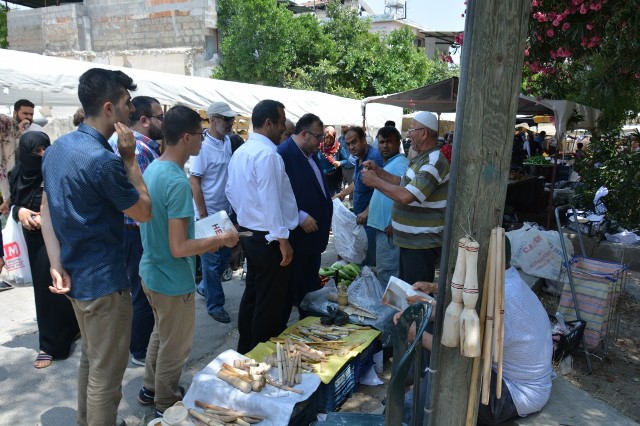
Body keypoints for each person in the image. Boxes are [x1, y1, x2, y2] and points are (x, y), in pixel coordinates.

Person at [41, 68, 152, 426]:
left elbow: (46, 209)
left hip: (76, 277)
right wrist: (131, 159)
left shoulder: (58, 149)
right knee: (107, 376)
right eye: (126, 102)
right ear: (109, 108)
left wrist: (56, 262)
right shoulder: (104, 160)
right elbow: (144, 212)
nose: (130, 109)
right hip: (104, 284)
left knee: (92, 359)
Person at [138, 105, 238, 418]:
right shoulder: (177, 181)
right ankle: (165, 403)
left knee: (161, 334)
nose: (203, 140)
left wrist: (204, 243)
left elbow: (177, 237)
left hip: (153, 271)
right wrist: (221, 240)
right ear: (186, 138)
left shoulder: (155, 168)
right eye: (200, 135)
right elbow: (179, 246)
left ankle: (150, 388)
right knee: (176, 345)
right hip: (171, 278)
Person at [396, 239, 553, 425]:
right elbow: (458, 316)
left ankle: (407, 417)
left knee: (443, 371)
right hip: (509, 378)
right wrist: (431, 294)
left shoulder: (502, 301)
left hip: (514, 394)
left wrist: (417, 336)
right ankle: (406, 393)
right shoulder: (507, 279)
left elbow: (459, 353)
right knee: (433, 326)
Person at [226, 99, 298, 354]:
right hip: (267, 238)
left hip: (251, 232)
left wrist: (246, 216)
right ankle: (259, 353)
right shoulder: (267, 154)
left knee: (254, 293)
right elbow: (270, 199)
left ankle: (246, 347)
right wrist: (282, 239)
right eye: (281, 123)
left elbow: (231, 192)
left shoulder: (241, 152)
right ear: (268, 123)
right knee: (269, 301)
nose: (283, 129)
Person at [10, 130, 79, 369]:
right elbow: (12, 203)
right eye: (36, 151)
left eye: (45, 149)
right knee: (46, 289)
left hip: (60, 234)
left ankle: (73, 330)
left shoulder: (56, 169)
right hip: (35, 241)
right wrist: (20, 211)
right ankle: (49, 345)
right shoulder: (16, 173)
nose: (42, 155)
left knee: (69, 283)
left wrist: (47, 218)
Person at [108, 96, 164, 366]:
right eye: (159, 117)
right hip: (136, 230)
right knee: (142, 291)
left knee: (142, 289)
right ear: (144, 120)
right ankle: (140, 350)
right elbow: (143, 199)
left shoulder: (143, 147)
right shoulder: (139, 151)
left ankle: (141, 345)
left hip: (135, 230)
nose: (163, 122)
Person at [361, 111, 448, 285]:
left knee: (416, 295)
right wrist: (379, 172)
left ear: (423, 133)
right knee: (408, 290)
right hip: (412, 242)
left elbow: (407, 196)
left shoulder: (433, 160)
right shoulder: (422, 158)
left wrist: (375, 181)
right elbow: (403, 184)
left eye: (411, 130)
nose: (408, 134)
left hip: (421, 244)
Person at [278, 113, 333, 325]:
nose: (321, 142)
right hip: (298, 235)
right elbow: (279, 194)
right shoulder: (284, 154)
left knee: (309, 286)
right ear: (304, 134)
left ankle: (307, 325)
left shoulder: (309, 153)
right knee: (294, 288)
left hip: (313, 237)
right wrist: (299, 215)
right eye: (318, 137)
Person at [189, 101, 238, 324]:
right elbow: (195, 181)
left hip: (224, 211)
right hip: (208, 212)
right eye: (227, 119)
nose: (231, 123)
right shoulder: (202, 147)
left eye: (231, 119)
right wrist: (203, 215)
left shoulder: (227, 141)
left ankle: (204, 287)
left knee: (223, 257)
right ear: (214, 119)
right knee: (211, 261)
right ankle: (215, 304)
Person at [334, 126, 384, 267]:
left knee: (370, 264)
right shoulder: (358, 159)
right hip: (362, 219)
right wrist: (342, 193)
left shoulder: (373, 158)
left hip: (371, 221)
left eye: (354, 142)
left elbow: (381, 188)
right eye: (348, 144)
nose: (351, 147)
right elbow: (358, 182)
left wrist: (367, 211)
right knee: (361, 260)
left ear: (363, 140)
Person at [367, 126, 409, 288]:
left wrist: (395, 221)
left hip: (389, 230)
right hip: (384, 229)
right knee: (385, 272)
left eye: (389, 142)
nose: (385, 146)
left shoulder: (401, 163)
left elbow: (404, 192)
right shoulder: (388, 163)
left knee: (389, 274)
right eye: (382, 142)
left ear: (398, 142)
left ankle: (391, 312)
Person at [316, 126, 344, 196]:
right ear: (324, 137)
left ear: (334, 137)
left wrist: (340, 162)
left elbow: (346, 159)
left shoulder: (338, 147)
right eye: (327, 137)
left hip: (333, 178)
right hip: (320, 177)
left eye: (331, 137)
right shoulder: (318, 147)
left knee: (332, 198)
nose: (328, 140)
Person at [338, 124, 356, 198]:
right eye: (342, 127)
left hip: (352, 168)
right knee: (340, 189)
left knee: (352, 190)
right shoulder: (340, 139)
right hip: (342, 168)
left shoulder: (354, 139)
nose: (342, 129)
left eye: (344, 127)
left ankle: (351, 206)